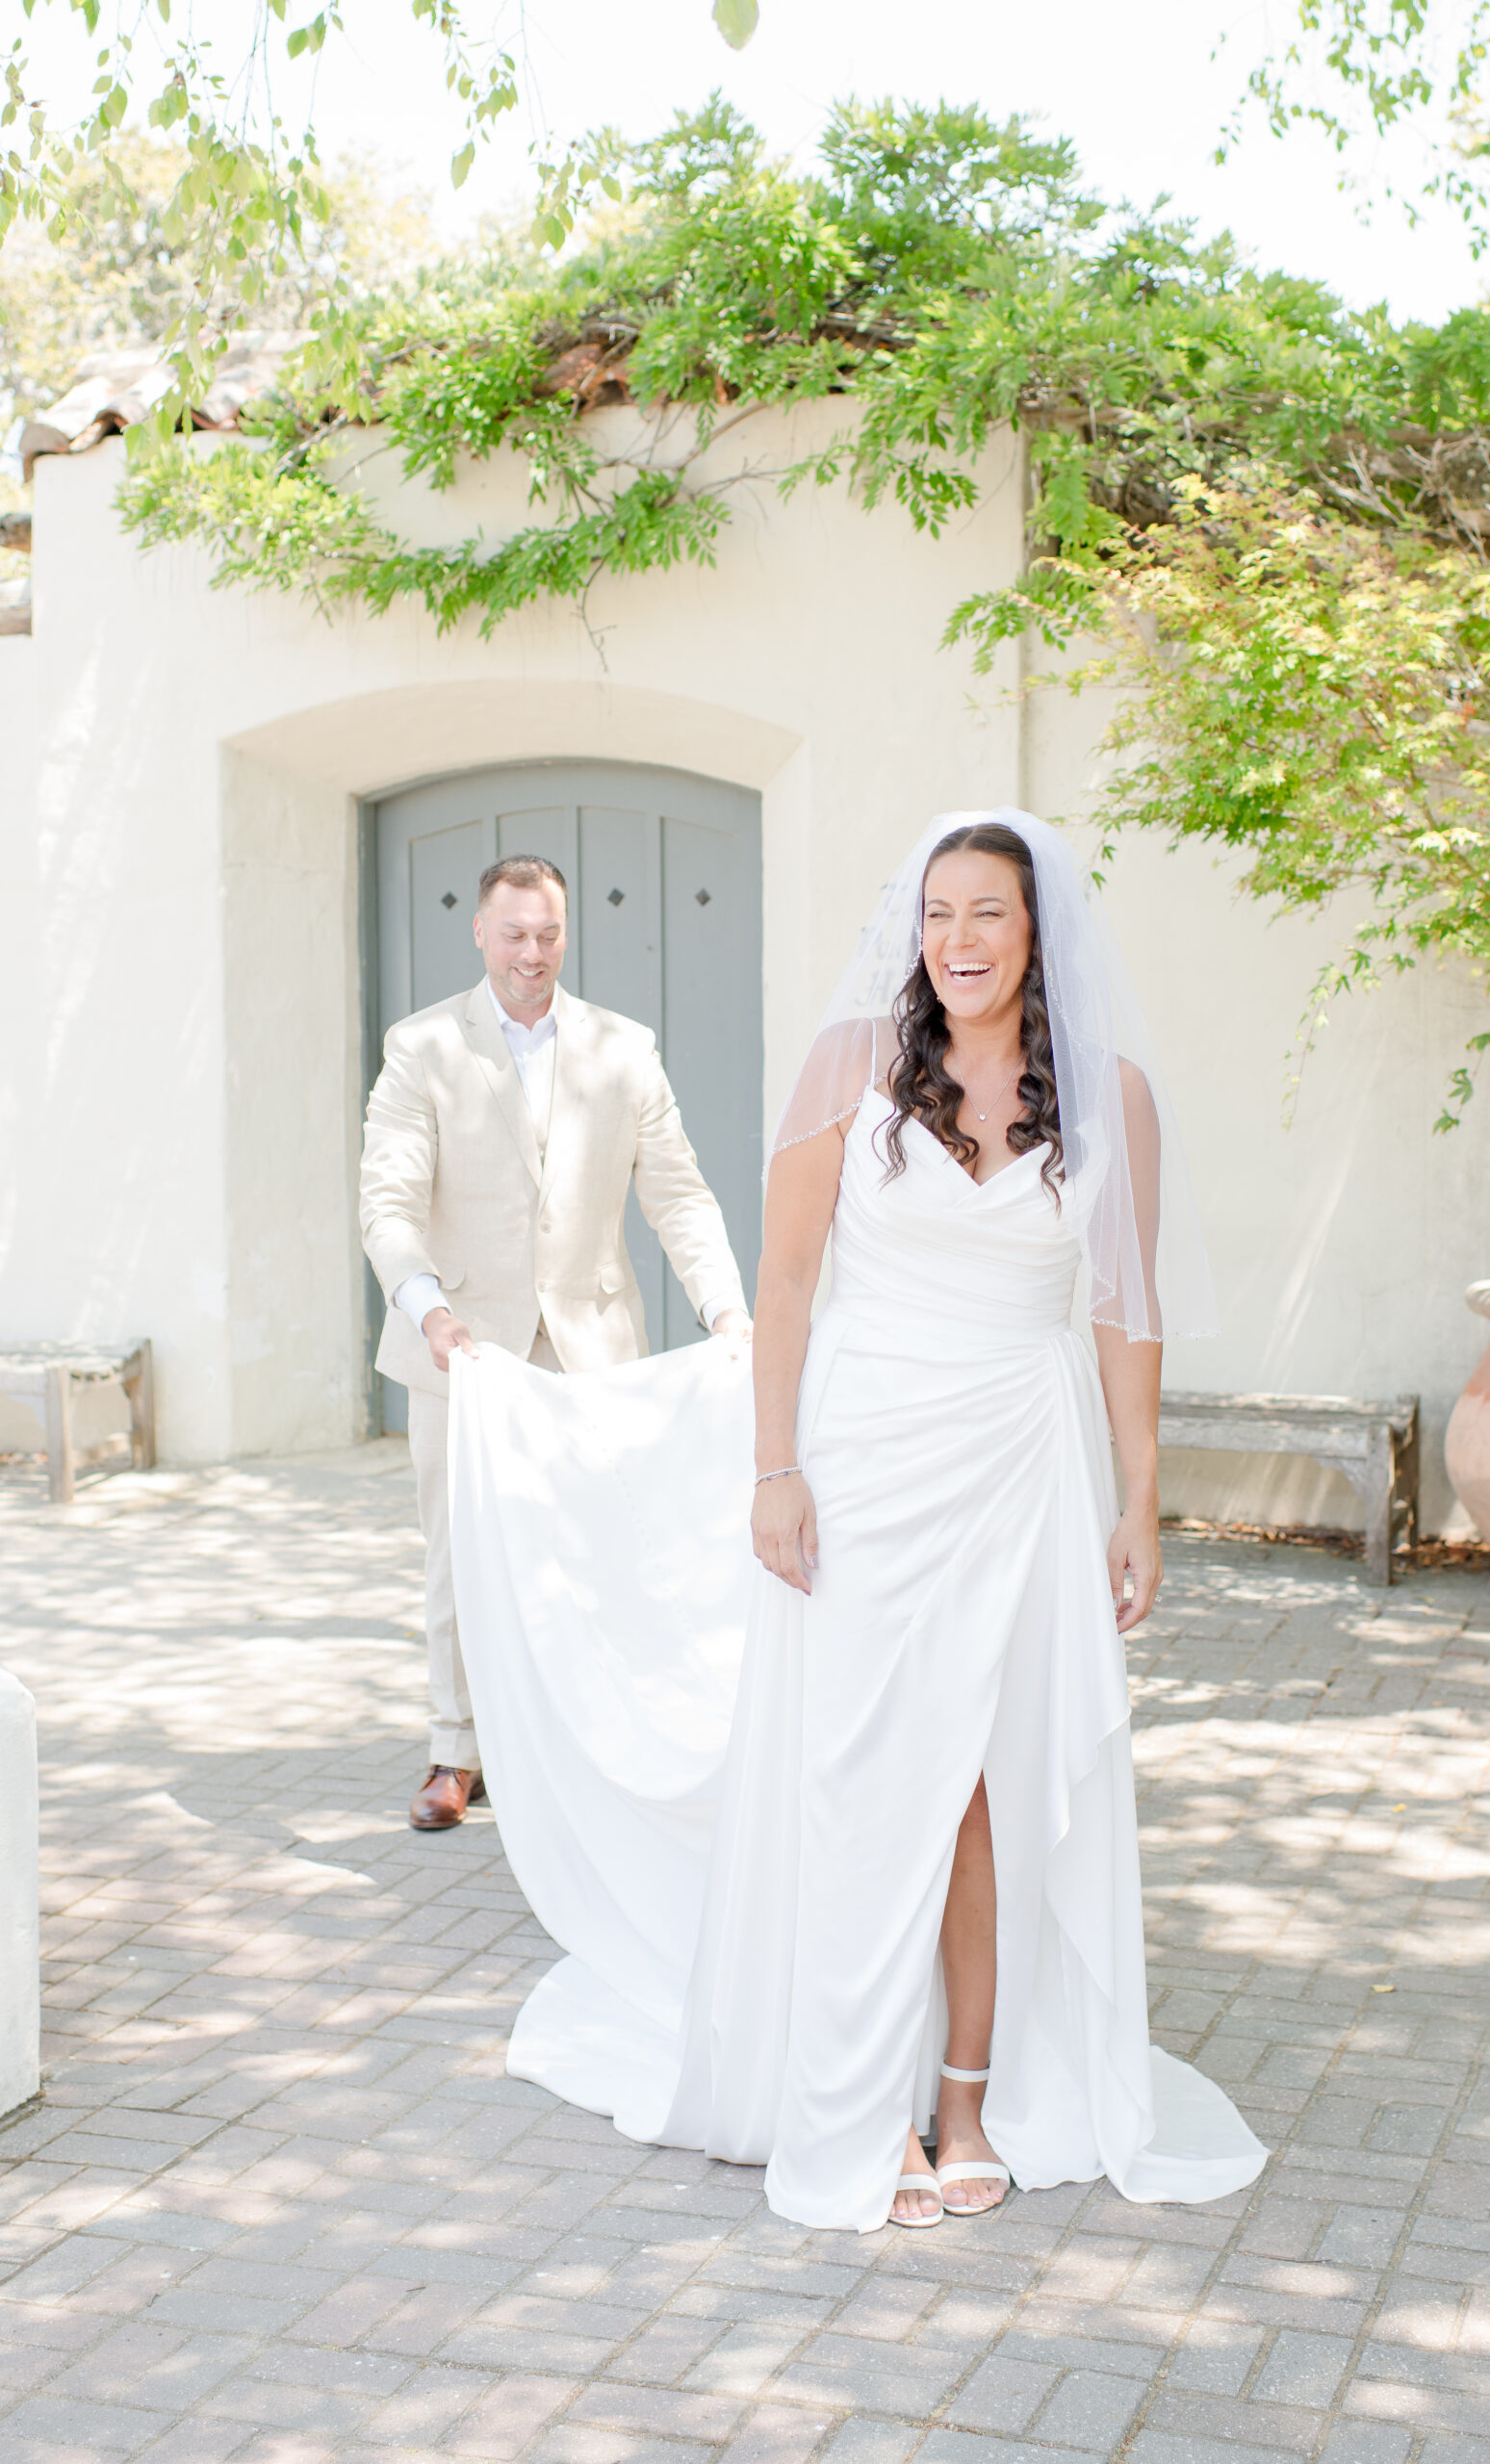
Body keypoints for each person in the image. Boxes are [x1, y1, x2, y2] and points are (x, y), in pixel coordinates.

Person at [446, 810, 1266, 2230]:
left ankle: (965, 2096)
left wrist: (1141, 1499)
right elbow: (785, 1288)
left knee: (989, 1793)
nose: (958, 940)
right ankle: (857, 2092)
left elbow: (1124, 1317)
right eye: (939, 913)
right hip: (867, 1460)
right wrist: (775, 1468)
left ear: (1036, 932)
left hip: (1022, 1459)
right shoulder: (853, 1069)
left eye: (988, 915)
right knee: (869, 1777)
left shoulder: (1111, 1096)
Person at [360, 852, 750, 1832]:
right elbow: (387, 1202)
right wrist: (427, 1309)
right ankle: (458, 1750)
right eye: (514, 932)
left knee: (596, 1548)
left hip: (590, 1351)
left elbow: (679, 1194)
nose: (531, 951)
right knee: (460, 1550)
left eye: (547, 934)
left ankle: (594, 1743)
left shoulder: (625, 1048)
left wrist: (727, 1311)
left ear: (564, 936)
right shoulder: (421, 1047)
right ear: (481, 932)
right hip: (459, 1349)